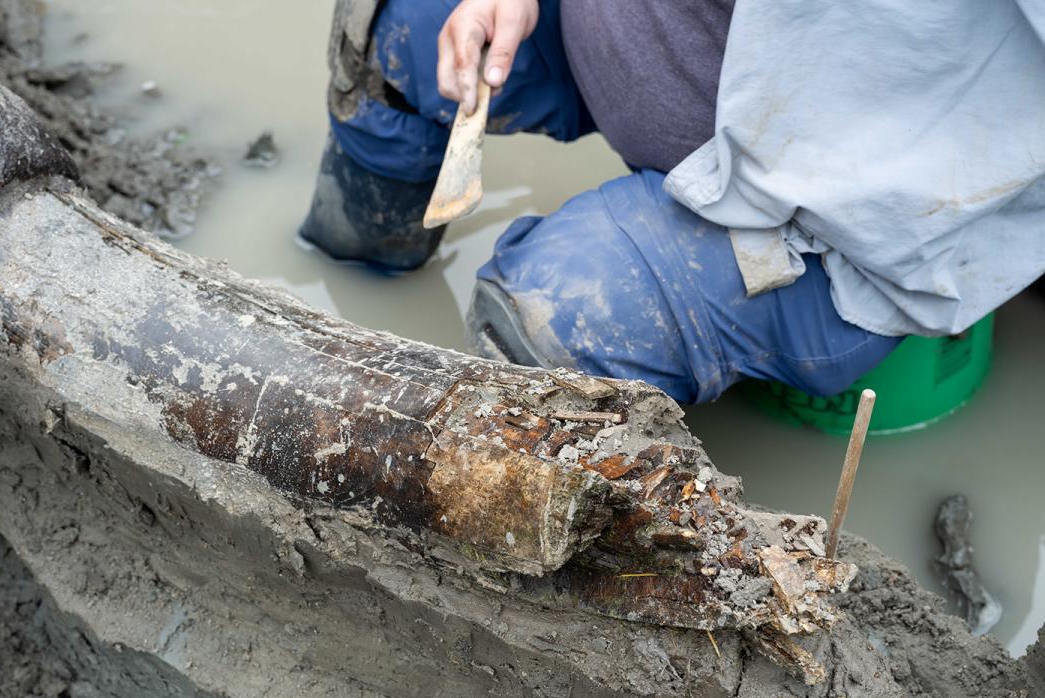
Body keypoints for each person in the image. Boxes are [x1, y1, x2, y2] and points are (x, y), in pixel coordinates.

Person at [300, 0, 1045, 404]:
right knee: (397, 32)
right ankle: (347, 295)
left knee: (552, 325)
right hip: (650, 47)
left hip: (830, 222)